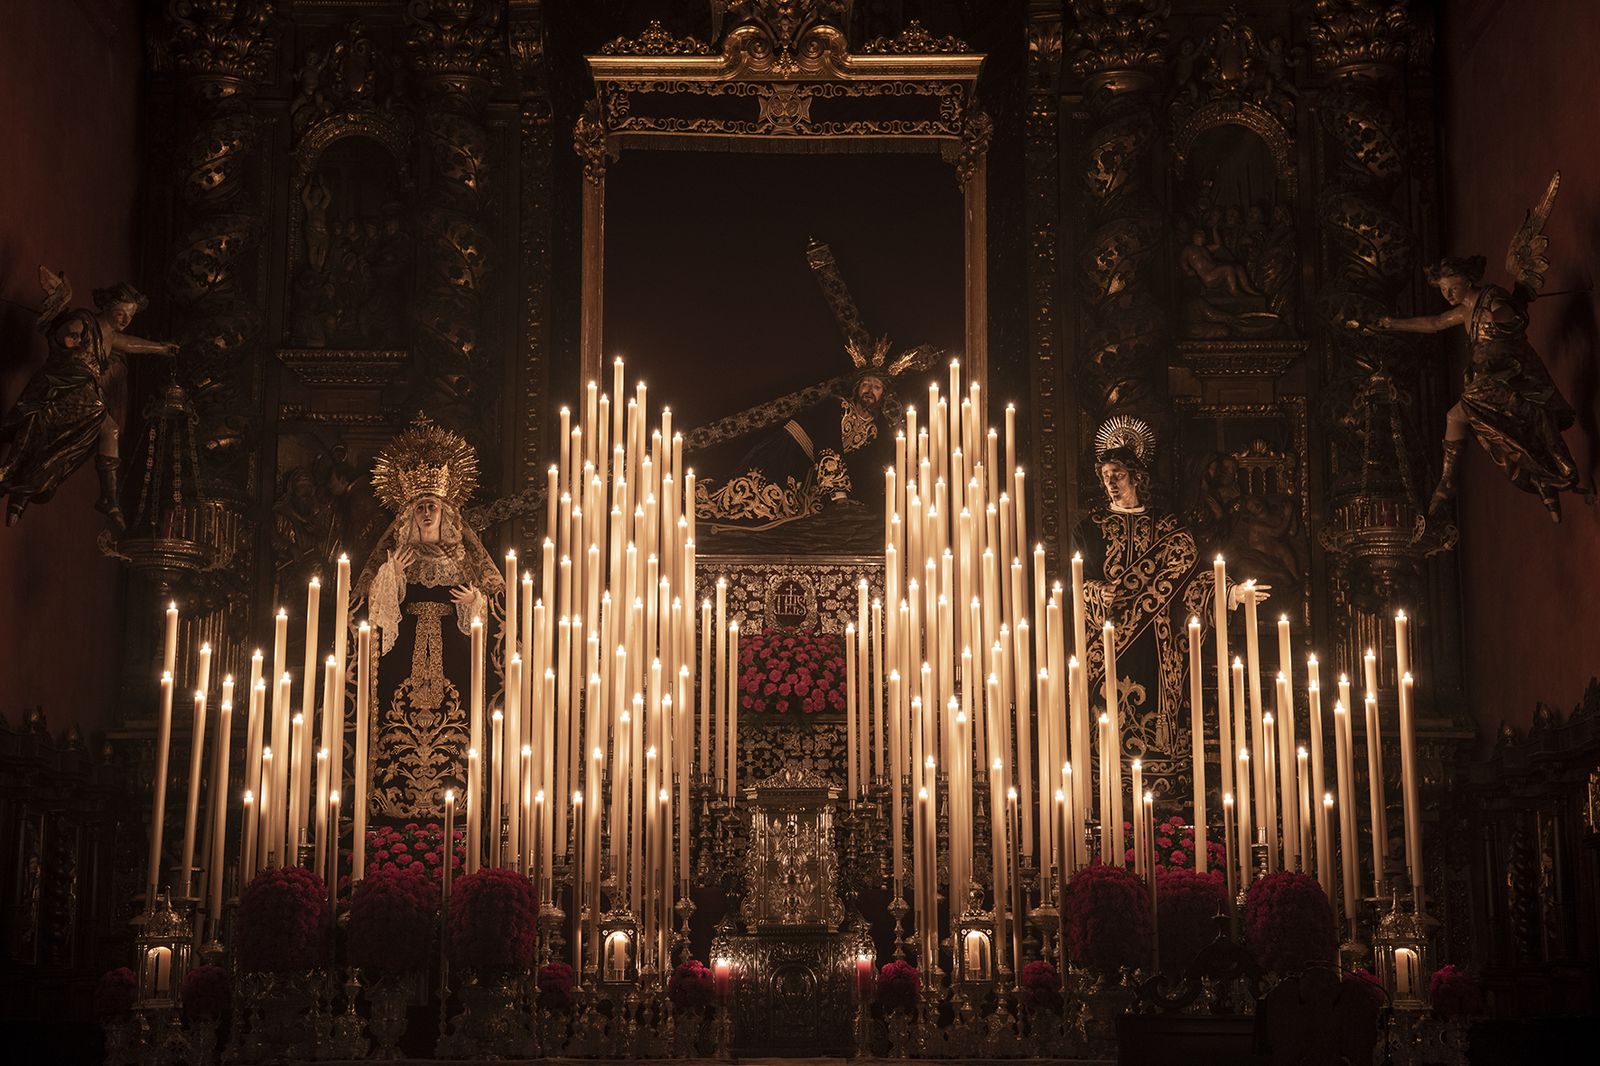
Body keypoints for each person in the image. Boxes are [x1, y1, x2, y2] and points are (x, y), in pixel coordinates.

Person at [1072, 418, 1266, 789]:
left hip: (1157, 644)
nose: (1111, 482)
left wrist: (1231, 594)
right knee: (1106, 719)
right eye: (1106, 474)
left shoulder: (1168, 528)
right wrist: (1097, 592)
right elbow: (1075, 582)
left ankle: (1159, 786)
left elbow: (1191, 584)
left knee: (1156, 718)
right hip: (1107, 639)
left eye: (1118, 474)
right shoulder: (1089, 527)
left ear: (1136, 477)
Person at [354, 416, 505, 819]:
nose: (425, 513)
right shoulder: (393, 562)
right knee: (395, 732)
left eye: (432, 506)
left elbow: (495, 623)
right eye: (419, 506)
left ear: (445, 512)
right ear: (408, 514)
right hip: (400, 667)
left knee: (457, 735)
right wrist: (391, 579)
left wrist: (475, 602)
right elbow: (370, 620)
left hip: (455, 671)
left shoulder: (465, 561)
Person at [1377, 253, 1586, 521]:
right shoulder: (1465, 310)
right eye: (1442, 289)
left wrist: (1502, 314)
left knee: (1463, 417)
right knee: (1504, 435)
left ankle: (1448, 484)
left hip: (1511, 376)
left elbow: (1511, 317)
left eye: (1452, 287)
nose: (1448, 293)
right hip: (1487, 379)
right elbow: (1436, 323)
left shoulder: (1492, 298)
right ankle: (1539, 480)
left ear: (1468, 280)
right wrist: (1392, 324)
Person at [0, 271, 178, 528]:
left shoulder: (113, 338)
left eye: (130, 316)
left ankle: (107, 496)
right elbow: (63, 331)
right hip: (63, 385)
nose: (125, 320)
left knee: (108, 431)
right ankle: (101, 497)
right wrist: (69, 337)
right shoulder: (84, 320)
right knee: (98, 414)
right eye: (121, 313)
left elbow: (130, 344)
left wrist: (161, 348)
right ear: (107, 306)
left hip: (85, 391)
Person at [697, 365, 899, 526]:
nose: (870, 390)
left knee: (796, 511)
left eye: (876, 387)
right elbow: (829, 447)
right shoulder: (836, 405)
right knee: (755, 499)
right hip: (785, 451)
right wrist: (839, 497)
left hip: (808, 469)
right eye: (866, 384)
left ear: (883, 394)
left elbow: (870, 463)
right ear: (857, 388)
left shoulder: (874, 428)